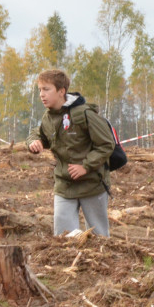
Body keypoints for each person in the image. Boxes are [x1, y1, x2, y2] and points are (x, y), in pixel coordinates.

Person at [26, 69, 115, 237]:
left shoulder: (85, 114)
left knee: (100, 239)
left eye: (46, 89)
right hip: (64, 185)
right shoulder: (48, 118)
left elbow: (106, 144)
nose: (41, 94)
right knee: (63, 239)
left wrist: (85, 166)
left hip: (92, 184)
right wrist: (34, 142)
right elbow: (38, 133)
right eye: (39, 89)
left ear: (61, 91)